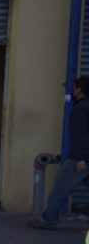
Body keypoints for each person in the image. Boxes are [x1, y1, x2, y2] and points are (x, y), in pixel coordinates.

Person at [30, 75, 89, 229]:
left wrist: (82, 158)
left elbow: (79, 137)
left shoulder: (80, 110)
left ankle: (48, 219)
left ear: (80, 90)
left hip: (79, 158)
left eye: (75, 87)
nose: (73, 90)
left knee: (59, 189)